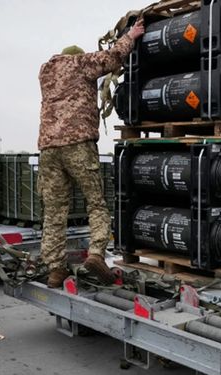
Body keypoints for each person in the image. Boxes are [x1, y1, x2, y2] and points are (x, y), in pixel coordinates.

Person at [37, 19, 145, 288]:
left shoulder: (46, 72)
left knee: (54, 212)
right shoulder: (80, 63)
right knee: (95, 202)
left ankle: (55, 270)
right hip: (78, 144)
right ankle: (96, 254)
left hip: (48, 148)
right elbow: (112, 58)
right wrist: (130, 36)